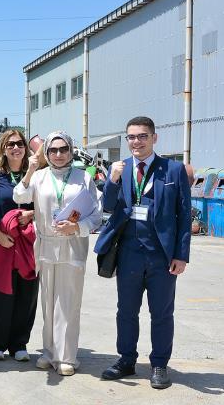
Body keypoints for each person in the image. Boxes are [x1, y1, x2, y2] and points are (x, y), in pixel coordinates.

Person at [96, 116, 191, 389]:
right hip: (129, 254)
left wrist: (181, 254)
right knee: (126, 311)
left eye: (142, 136)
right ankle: (126, 360)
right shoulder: (120, 169)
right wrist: (112, 180)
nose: (136, 142)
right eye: (131, 137)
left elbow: (184, 215)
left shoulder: (173, 170)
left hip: (162, 256)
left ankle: (159, 364)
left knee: (161, 313)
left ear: (154, 138)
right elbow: (109, 206)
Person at [13, 131, 101, 376]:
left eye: (63, 149)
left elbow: (96, 214)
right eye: (53, 150)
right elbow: (19, 195)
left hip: (72, 245)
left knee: (68, 303)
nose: (59, 154)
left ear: (71, 151)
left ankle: (66, 356)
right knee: (48, 302)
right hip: (46, 246)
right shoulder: (40, 176)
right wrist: (30, 170)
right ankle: (49, 352)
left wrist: (77, 227)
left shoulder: (84, 178)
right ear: (46, 153)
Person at [0, 130, 38, 363]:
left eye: (20, 143)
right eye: (10, 144)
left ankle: (19, 344)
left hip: (28, 242)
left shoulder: (36, 175)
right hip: (1, 241)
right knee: (2, 293)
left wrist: (31, 214)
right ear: (3, 148)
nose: (15, 148)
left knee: (27, 292)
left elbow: (46, 206)